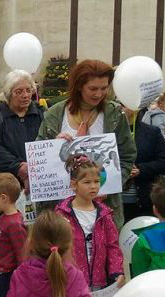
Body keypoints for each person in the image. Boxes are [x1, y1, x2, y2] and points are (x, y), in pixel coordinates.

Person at [38, 59, 137, 228]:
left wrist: (109, 186)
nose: (99, 94)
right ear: (78, 86)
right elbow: (39, 156)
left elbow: (127, 155)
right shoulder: (55, 113)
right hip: (61, 210)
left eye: (104, 88)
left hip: (103, 210)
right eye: (93, 89)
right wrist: (54, 146)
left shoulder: (115, 114)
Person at [54, 155, 124, 297]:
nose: (93, 186)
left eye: (96, 181)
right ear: (74, 184)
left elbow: (113, 245)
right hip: (70, 277)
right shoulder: (62, 213)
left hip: (97, 278)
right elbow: (54, 245)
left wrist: (116, 271)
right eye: (87, 182)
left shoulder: (104, 214)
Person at [0, 70, 43, 226]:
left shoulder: (41, 114)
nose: (25, 95)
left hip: (35, 181)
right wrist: (19, 167)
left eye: (28, 90)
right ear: (9, 94)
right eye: (19, 91)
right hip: (3, 184)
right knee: (1, 229)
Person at [123, 113, 165, 222]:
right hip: (115, 203)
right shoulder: (108, 131)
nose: (121, 108)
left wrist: (141, 169)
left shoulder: (152, 132)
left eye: (124, 104)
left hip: (144, 201)